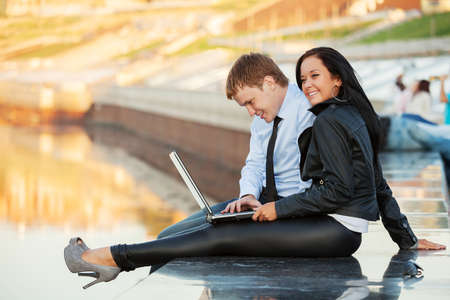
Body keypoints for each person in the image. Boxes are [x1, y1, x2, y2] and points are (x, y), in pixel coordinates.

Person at [64, 50, 445, 289]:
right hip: (285, 207)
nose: (251, 112)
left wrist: (404, 238)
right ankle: (126, 265)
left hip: (317, 218)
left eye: (315, 77)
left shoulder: (320, 119)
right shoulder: (301, 117)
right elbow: (256, 163)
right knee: (178, 232)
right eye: (305, 78)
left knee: (217, 238)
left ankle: (112, 256)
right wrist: (249, 196)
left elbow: (347, 187)